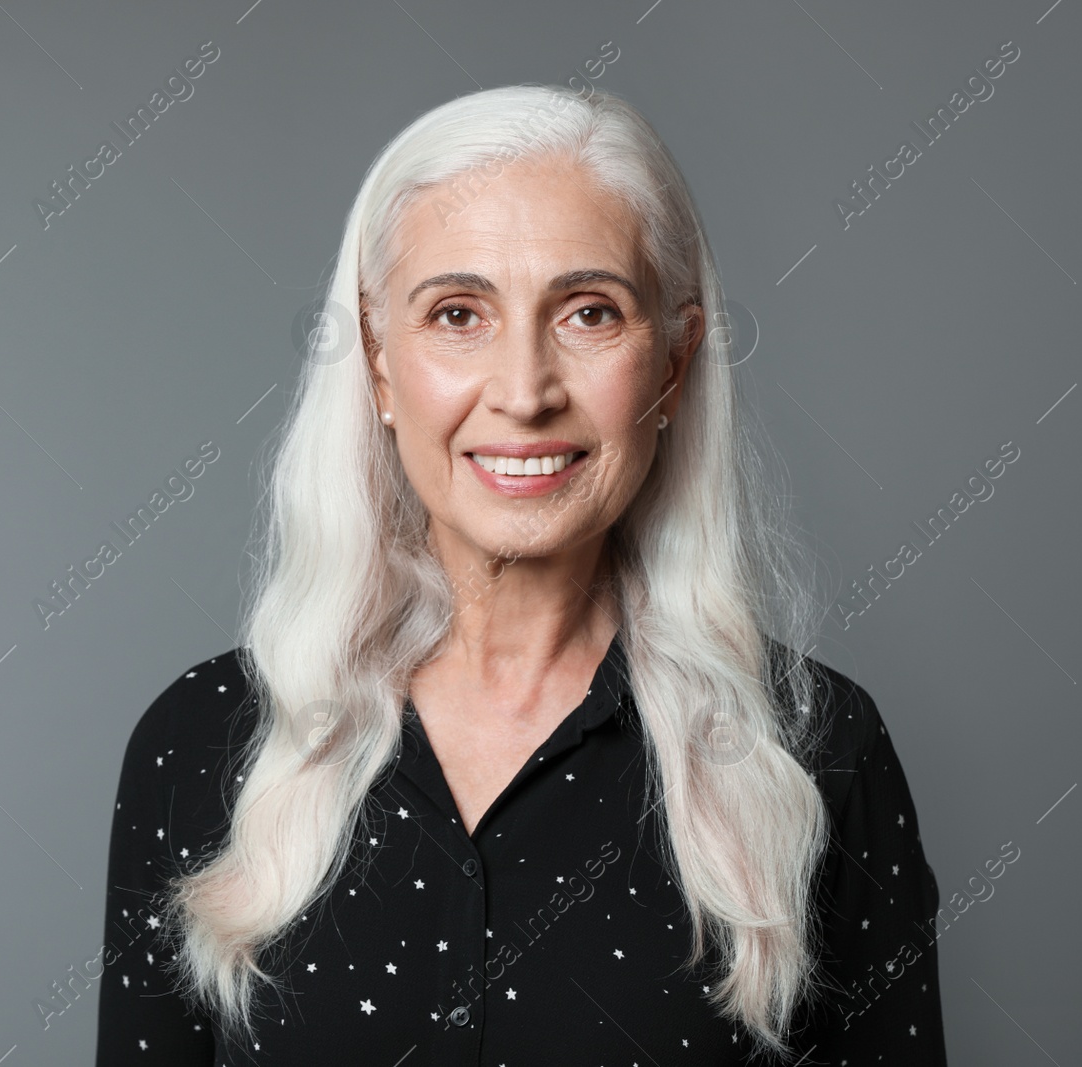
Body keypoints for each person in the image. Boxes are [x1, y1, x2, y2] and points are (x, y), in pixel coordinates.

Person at [95, 83, 947, 1065]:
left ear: (672, 365)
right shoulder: (202, 742)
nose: (524, 391)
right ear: (377, 362)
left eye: (589, 312)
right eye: (458, 313)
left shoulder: (818, 749)